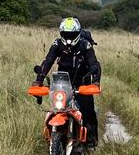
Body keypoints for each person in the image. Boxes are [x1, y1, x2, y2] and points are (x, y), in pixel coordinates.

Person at [34, 17, 101, 148]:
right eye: (66, 34)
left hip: (82, 83)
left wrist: (95, 82)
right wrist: (38, 80)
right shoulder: (57, 44)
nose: (69, 37)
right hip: (62, 83)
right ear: (61, 33)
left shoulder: (85, 45)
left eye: (72, 34)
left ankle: (91, 143)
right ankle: (56, 137)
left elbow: (94, 64)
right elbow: (48, 61)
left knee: (88, 112)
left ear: (78, 33)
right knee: (58, 109)